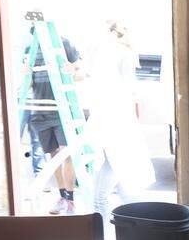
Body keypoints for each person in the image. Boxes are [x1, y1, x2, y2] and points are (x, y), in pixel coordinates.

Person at [86, 21, 155, 221]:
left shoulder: (106, 54)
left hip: (111, 127)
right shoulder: (122, 54)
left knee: (104, 196)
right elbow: (129, 90)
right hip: (119, 127)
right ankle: (132, 235)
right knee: (125, 190)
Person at [21, 22, 83, 214]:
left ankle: (71, 199)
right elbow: (27, 82)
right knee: (53, 156)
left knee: (68, 154)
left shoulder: (63, 44)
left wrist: (70, 72)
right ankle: (62, 196)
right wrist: (26, 75)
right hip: (40, 110)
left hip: (62, 110)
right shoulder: (30, 49)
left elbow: (80, 72)